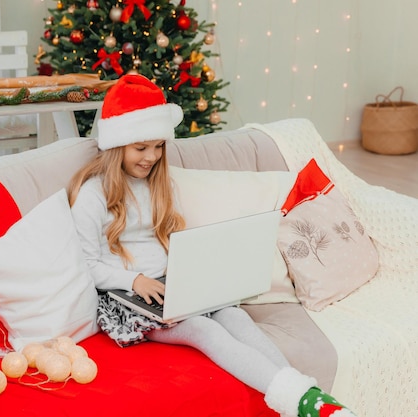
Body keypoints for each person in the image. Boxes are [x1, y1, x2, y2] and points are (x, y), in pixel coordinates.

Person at [68, 73, 356, 417]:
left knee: (236, 318)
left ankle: (303, 395)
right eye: (140, 148)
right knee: (205, 331)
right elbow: (86, 265)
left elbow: (165, 240)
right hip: (128, 299)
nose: (151, 157)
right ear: (117, 146)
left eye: (158, 147)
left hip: (171, 285)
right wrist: (135, 281)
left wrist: (195, 268)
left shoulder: (156, 183)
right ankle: (304, 403)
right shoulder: (92, 195)